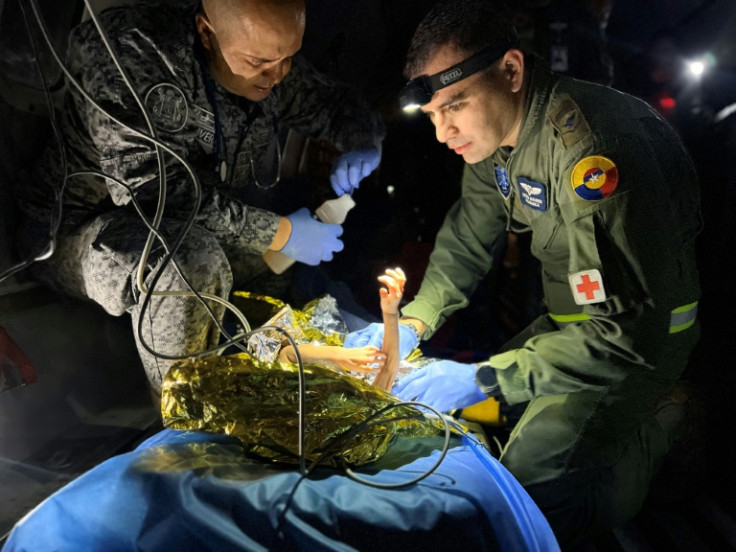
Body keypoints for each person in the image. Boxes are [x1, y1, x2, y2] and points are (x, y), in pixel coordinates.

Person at [345, 0, 701, 545]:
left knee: (524, 497)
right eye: (435, 115)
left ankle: (662, 423)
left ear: (511, 71)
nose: (444, 133)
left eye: (455, 105)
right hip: (572, 329)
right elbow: (466, 240)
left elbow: (624, 336)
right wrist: (414, 322)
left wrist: (481, 376)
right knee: (475, 419)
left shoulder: (592, 152)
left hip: (637, 343)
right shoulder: (497, 143)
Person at [15, 0, 384, 394]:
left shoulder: (270, 61)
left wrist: (364, 141)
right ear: (207, 32)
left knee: (276, 262)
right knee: (190, 261)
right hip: (77, 232)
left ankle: (275, 370)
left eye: (289, 57)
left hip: (190, 225)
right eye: (259, 61)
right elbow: (153, 195)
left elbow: (335, 103)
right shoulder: (136, 53)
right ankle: (188, 420)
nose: (278, 75)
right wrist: (280, 231)